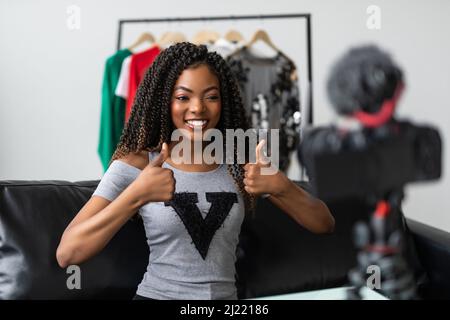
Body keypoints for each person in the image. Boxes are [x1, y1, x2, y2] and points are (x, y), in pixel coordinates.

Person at [56, 42, 334, 300]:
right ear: (164, 101)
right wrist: (136, 196)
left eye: (211, 96)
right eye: (183, 97)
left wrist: (282, 186)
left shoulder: (242, 160)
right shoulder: (138, 165)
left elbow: (324, 224)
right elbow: (68, 253)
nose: (198, 108)